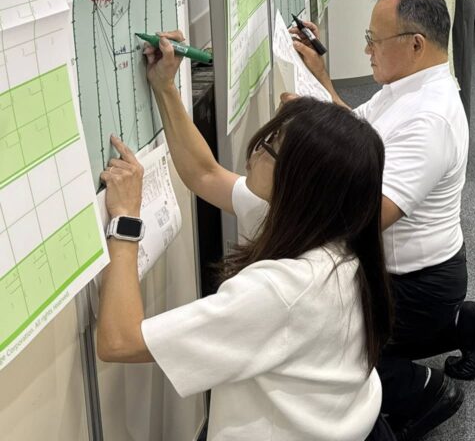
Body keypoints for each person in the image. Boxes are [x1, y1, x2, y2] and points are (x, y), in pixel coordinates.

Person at [95, 31, 393, 441]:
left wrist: (126, 220)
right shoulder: (335, 232)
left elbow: (119, 340)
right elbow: (204, 174)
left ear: (300, 184)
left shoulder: (280, 292)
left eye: (271, 146)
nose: (256, 150)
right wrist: (165, 88)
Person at [291, 0, 475, 441]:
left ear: (415, 44)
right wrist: (320, 79)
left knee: (324, 352)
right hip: (415, 273)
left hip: (414, 284)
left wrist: (285, 209)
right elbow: (355, 131)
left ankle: (425, 390)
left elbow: (365, 219)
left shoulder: (429, 118)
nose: (367, 50)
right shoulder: (404, 87)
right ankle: (461, 323)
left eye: (373, 40)